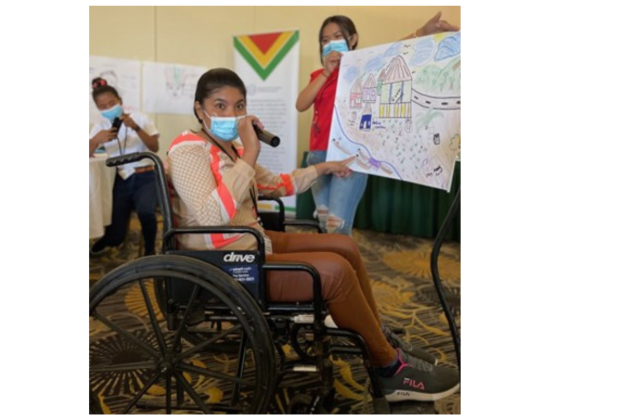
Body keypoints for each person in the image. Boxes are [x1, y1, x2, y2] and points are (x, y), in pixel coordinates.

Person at [166, 68, 459, 402]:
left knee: (344, 245)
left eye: (238, 105)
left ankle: (379, 339)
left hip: (251, 243)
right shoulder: (188, 149)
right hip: (225, 263)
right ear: (198, 109)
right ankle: (389, 369)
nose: (231, 114)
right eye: (220, 106)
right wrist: (249, 152)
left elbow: (276, 184)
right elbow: (209, 216)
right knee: (333, 271)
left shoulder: (229, 148)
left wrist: (325, 168)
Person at [296, 12, 460, 235]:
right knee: (324, 221)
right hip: (318, 156)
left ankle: (340, 267)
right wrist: (326, 72)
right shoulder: (319, 75)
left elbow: (390, 53)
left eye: (336, 36)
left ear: (352, 39)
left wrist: (422, 33)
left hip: (348, 159)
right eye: (325, 40)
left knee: (337, 225)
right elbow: (301, 104)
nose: (330, 43)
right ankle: (331, 267)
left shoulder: (363, 67)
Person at [89, 78, 161, 257]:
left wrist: (136, 128)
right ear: (98, 109)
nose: (108, 108)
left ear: (120, 101)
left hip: (145, 177)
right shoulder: (100, 126)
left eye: (111, 103)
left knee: (146, 212)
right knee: (116, 232)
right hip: (120, 178)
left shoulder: (140, 118)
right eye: (103, 106)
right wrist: (96, 140)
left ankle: (150, 252)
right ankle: (110, 240)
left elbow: (154, 147)